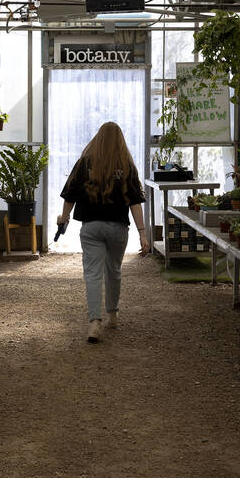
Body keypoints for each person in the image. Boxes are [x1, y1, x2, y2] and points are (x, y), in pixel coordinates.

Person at [57, 122, 149, 343]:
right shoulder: (126, 166)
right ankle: (113, 314)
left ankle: (94, 323)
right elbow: (135, 203)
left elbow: (70, 194)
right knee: (114, 270)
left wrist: (64, 218)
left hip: (91, 227)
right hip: (118, 227)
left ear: (98, 138)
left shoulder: (85, 163)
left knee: (92, 274)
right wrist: (143, 234)